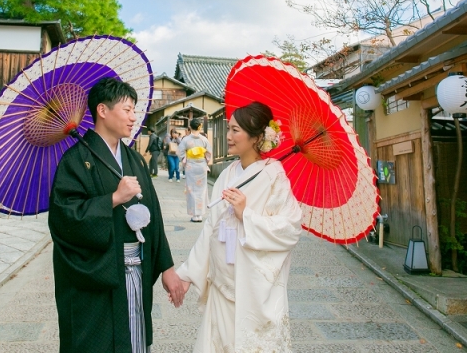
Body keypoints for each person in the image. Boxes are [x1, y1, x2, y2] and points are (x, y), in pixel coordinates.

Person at [48, 78, 185, 353]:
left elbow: (153, 216)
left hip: (136, 270)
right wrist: (112, 199)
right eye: (127, 109)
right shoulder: (76, 160)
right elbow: (63, 218)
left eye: (134, 110)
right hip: (97, 274)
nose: (134, 117)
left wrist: (168, 268)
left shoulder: (133, 159)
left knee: (133, 338)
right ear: (102, 110)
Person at [175, 102, 303, 352]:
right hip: (223, 283)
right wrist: (187, 274)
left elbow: (290, 228)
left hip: (251, 286)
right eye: (229, 129)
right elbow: (211, 228)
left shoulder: (274, 175)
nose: (229, 136)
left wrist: (247, 215)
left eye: (235, 130)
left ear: (256, 137)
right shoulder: (228, 173)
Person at [178, 118, 212, 222]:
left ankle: (194, 215)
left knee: (191, 189)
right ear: (200, 127)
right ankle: (200, 214)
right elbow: (208, 153)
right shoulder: (204, 139)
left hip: (191, 166)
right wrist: (206, 161)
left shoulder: (186, 140)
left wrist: (185, 160)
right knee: (201, 190)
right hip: (201, 166)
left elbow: (180, 153)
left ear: (190, 127)